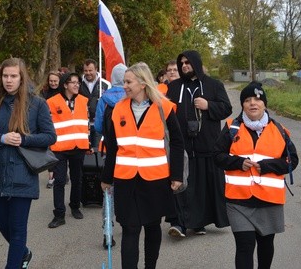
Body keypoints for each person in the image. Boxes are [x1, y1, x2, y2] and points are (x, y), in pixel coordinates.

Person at [100, 62, 185, 269]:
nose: (125, 86)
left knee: (153, 226)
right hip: (125, 179)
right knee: (130, 228)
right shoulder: (117, 108)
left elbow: (177, 142)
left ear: (142, 83)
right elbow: (112, 146)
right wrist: (106, 177)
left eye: (129, 82)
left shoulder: (164, 107)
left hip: (155, 179)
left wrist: (176, 175)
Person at [0, 58, 57, 269]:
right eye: (5, 76)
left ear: (22, 77)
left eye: (13, 76)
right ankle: (24, 253)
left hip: (23, 173)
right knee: (2, 225)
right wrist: (1, 138)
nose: (9, 80)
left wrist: (24, 138)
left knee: (17, 229)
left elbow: (50, 137)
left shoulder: (37, 104)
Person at [214, 82, 299, 269]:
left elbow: (292, 160)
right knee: (244, 246)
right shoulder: (231, 128)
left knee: (266, 246)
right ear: (242, 105)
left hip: (269, 200)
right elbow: (217, 156)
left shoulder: (279, 130)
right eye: (247, 100)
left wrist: (267, 166)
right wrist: (237, 162)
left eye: (257, 99)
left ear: (264, 104)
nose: (253, 103)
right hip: (238, 201)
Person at [166, 50, 232, 237]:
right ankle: (179, 224)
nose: (185, 66)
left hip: (207, 146)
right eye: (182, 63)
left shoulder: (214, 85)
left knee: (202, 188)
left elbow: (227, 108)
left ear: (196, 62)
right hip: (182, 148)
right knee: (181, 184)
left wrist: (208, 105)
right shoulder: (174, 87)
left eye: (188, 62)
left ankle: (199, 222)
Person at [45, 72, 89, 228]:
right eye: (73, 82)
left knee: (78, 179)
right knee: (60, 180)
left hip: (79, 146)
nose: (77, 85)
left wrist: (91, 143)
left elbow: (88, 122)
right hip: (60, 148)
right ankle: (59, 214)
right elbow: (46, 124)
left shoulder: (84, 101)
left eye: (78, 82)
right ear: (65, 85)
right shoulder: (51, 102)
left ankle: (75, 206)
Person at [93, 62, 127, 249]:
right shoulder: (132, 97)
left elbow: (98, 127)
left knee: (108, 192)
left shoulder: (104, 99)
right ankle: (130, 224)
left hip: (110, 151)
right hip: (129, 152)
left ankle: (108, 231)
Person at [79, 59, 110, 148]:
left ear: (96, 69)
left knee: (97, 150)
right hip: (84, 124)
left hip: (99, 123)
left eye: (90, 70)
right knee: (85, 151)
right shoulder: (78, 84)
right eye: (85, 70)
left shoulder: (105, 84)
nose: (88, 73)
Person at [40, 71, 61, 188]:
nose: (53, 83)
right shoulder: (44, 92)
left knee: (60, 153)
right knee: (50, 150)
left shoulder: (63, 92)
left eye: (55, 81)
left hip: (61, 126)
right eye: (51, 81)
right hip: (48, 124)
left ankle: (60, 172)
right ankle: (51, 176)